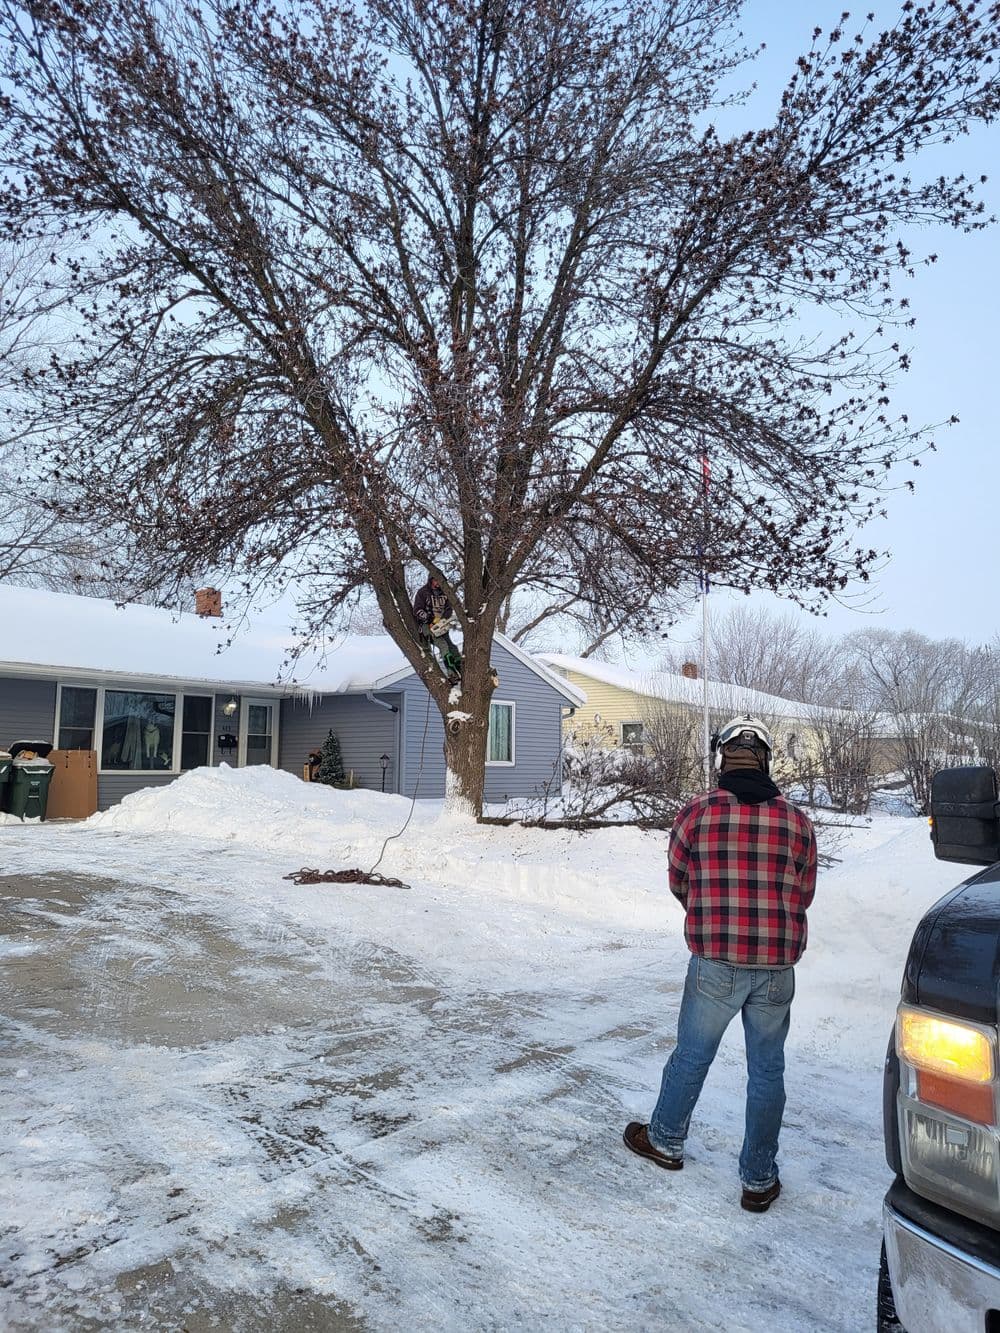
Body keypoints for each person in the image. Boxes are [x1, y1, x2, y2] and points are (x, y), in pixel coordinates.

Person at [623, 714, 817, 1213]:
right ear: (766, 759)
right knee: (767, 1071)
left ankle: (665, 1140)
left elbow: (679, 880)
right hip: (776, 967)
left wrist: (710, 913)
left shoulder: (697, 812)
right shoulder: (796, 821)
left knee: (692, 1055)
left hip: (716, 962)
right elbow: (805, 892)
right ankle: (758, 1178)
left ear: (722, 758)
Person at [412, 573, 463, 680]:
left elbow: (449, 609)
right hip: (427, 625)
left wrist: (442, 620)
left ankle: (460, 668)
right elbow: (417, 610)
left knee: (452, 647)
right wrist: (430, 619)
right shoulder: (423, 592)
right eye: (436, 580)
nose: (438, 583)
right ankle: (451, 673)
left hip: (441, 625)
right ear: (431, 580)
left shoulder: (446, 593)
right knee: (443, 645)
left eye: (440, 581)